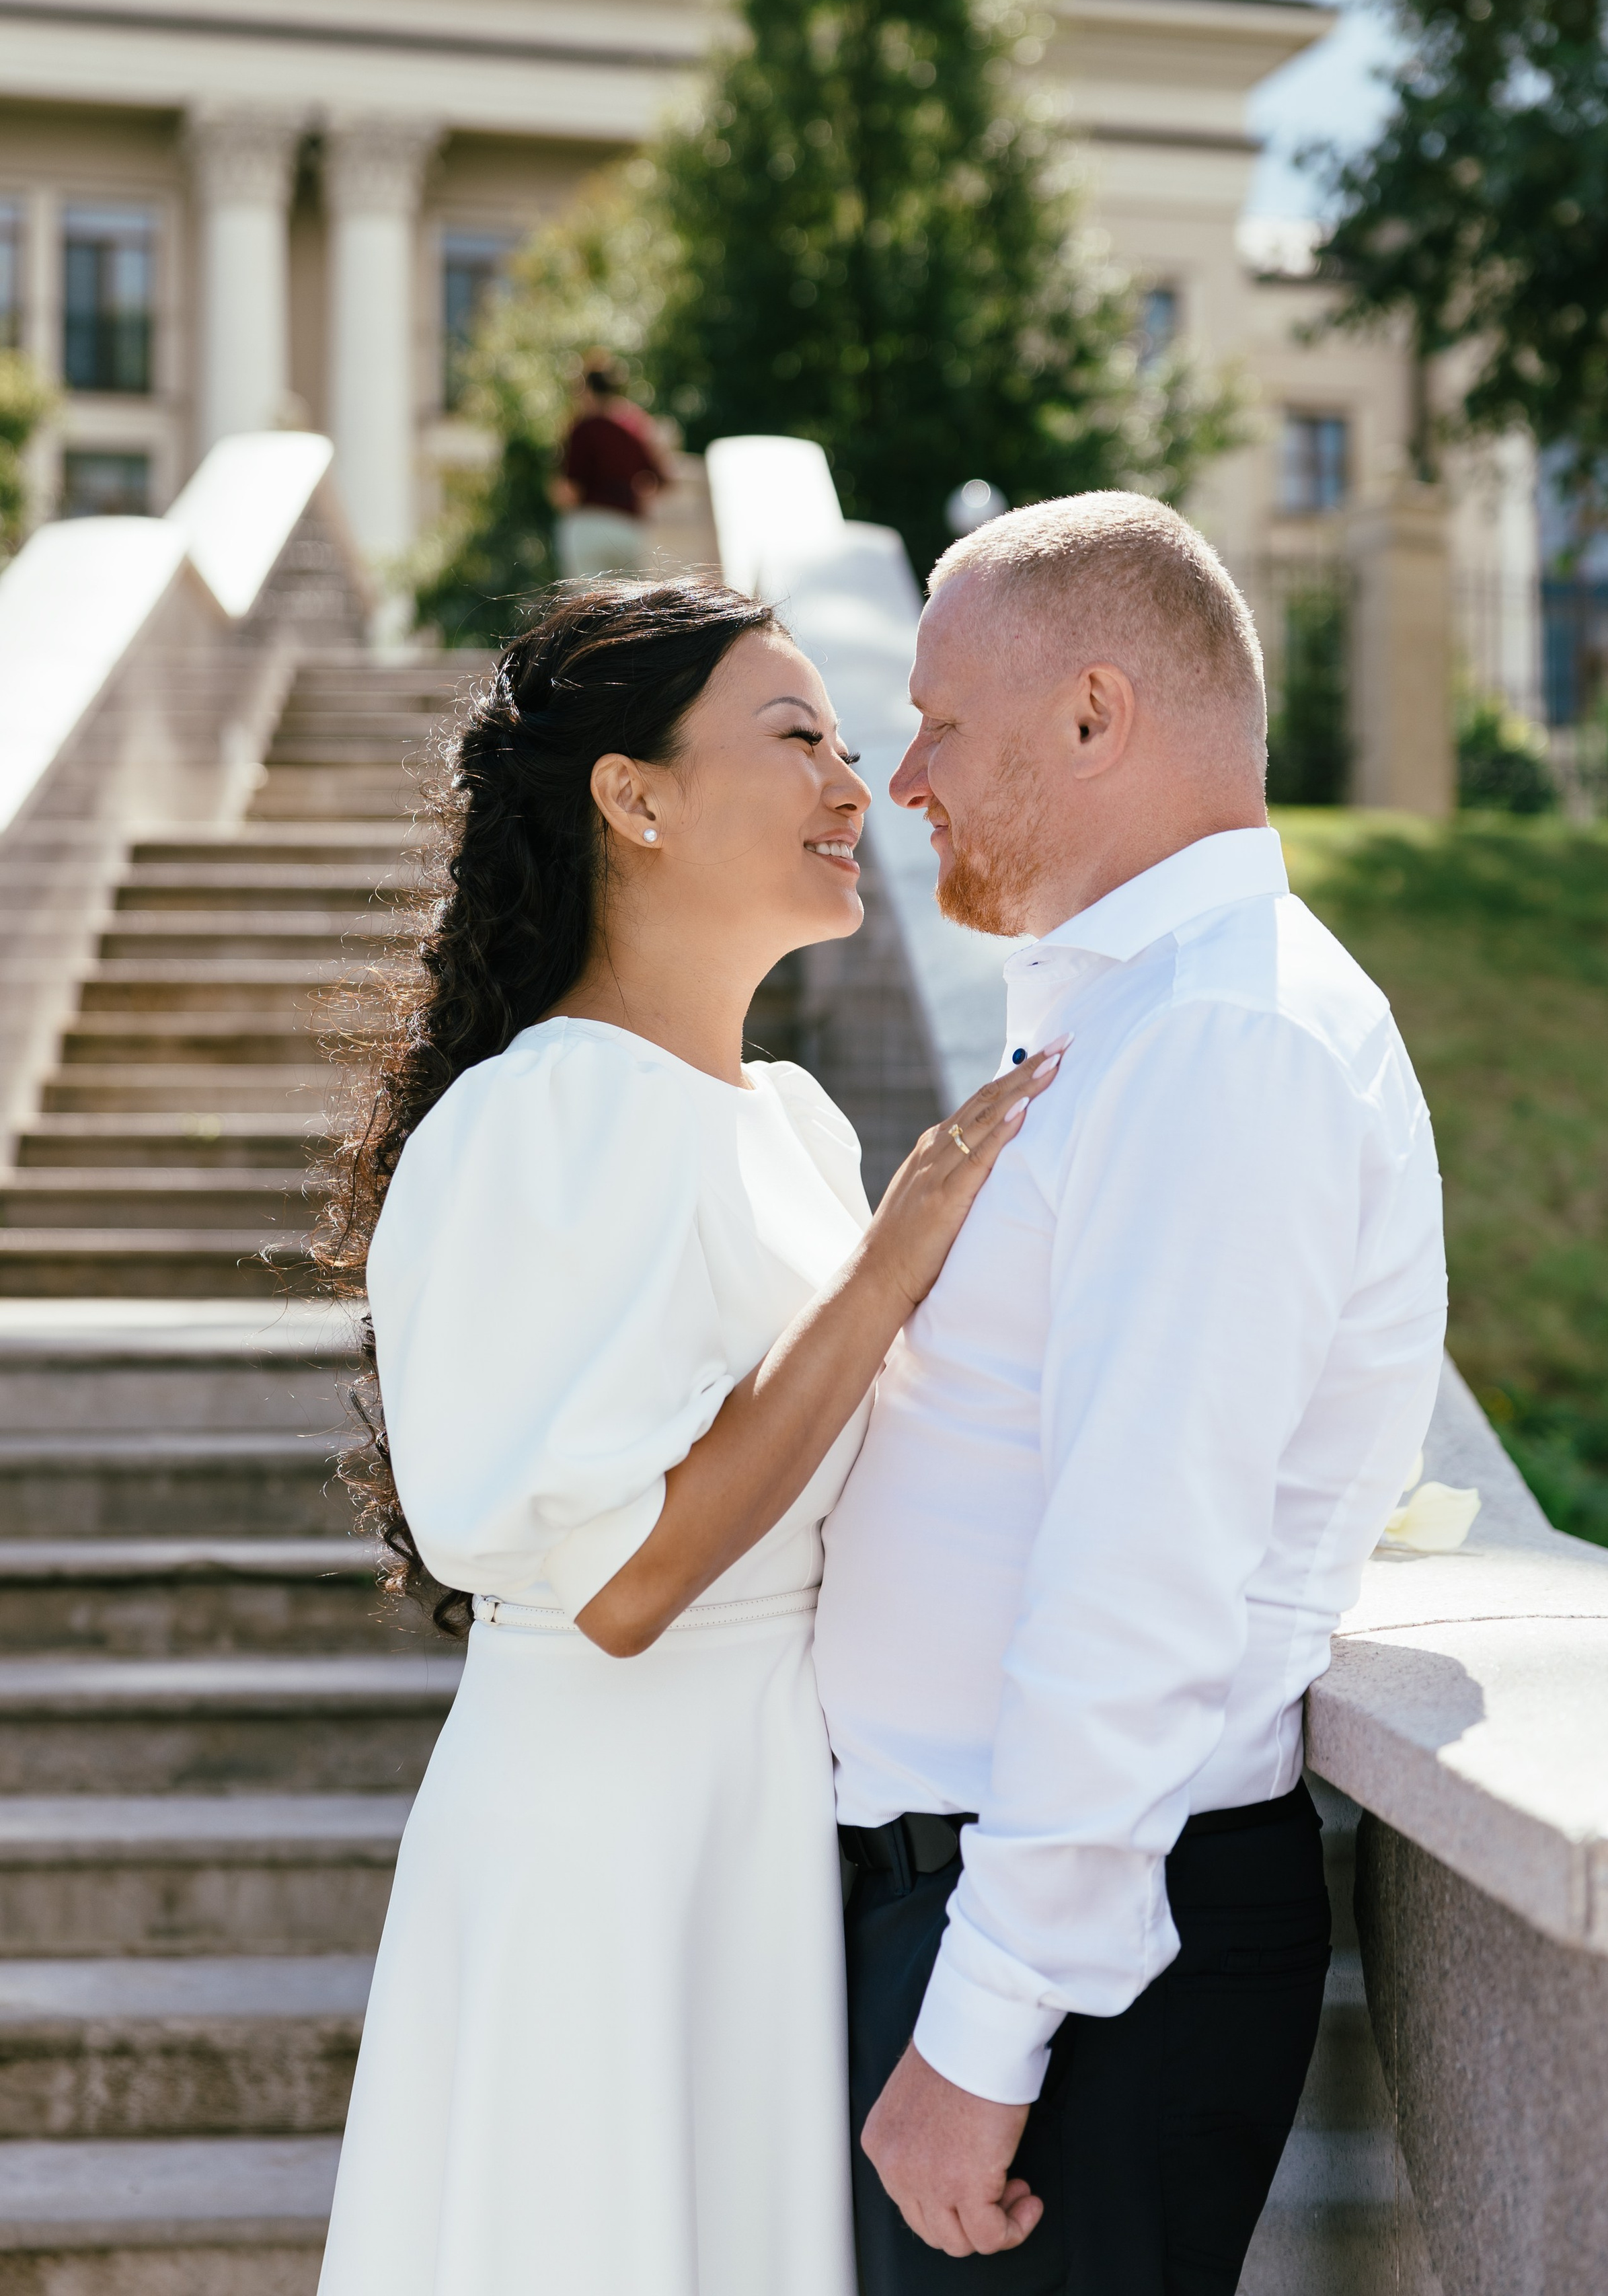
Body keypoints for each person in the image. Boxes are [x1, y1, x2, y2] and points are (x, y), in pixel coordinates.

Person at [315, 579, 1061, 2296]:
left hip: (762, 1831)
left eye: (849, 742)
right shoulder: (543, 1114)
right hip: (606, 1842)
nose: (851, 787)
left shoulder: (787, 1124)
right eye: (796, 736)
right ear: (631, 796)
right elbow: (630, 1579)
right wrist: (895, 1254)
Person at [814, 491, 1449, 2295]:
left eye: (941, 717)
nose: (901, 772)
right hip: (989, 1917)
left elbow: (1142, 1581)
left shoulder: (1221, 1039)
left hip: (1060, 1967)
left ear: (1096, 716)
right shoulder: (1131, 1012)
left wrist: (976, 2038)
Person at [548, 355, 668, 587]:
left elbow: (570, 492)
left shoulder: (584, 427)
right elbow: (661, 478)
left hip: (588, 526)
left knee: (587, 611)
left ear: (587, 389)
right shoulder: (635, 426)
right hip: (629, 528)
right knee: (632, 613)